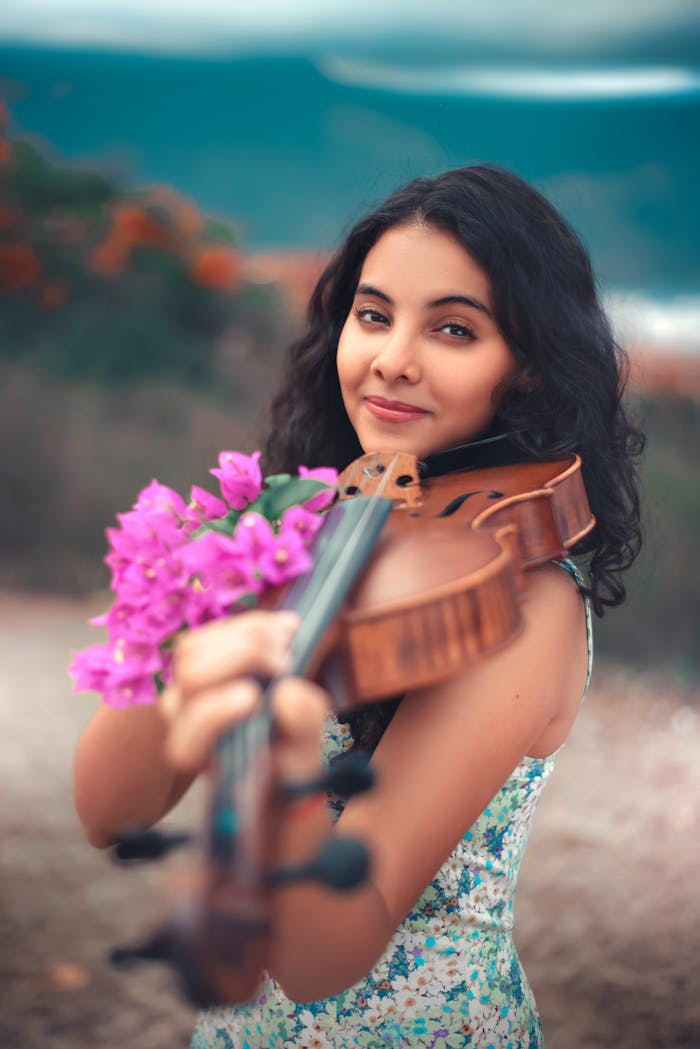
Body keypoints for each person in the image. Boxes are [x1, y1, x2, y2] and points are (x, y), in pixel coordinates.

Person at [73, 165, 643, 1048]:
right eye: (373, 315)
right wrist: (192, 621)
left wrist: (285, 767)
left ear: (527, 367)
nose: (391, 358)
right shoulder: (305, 526)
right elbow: (111, 812)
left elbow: (321, 959)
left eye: (453, 329)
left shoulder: (519, 600)